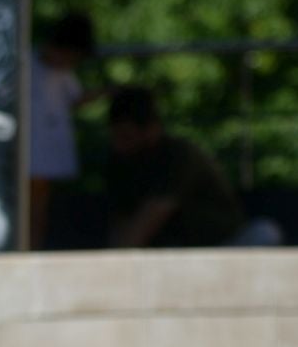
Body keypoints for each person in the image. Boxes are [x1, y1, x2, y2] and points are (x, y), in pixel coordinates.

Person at [106, 87, 263, 248]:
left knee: (264, 232)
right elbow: (121, 224)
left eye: (126, 137)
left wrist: (117, 260)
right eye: (115, 137)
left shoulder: (177, 155)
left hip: (224, 243)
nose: (119, 145)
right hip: (176, 250)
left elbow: (151, 218)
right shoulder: (120, 163)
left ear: (152, 129)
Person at [29, 12, 100, 248]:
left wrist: (107, 91)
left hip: (45, 151)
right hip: (29, 150)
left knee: (39, 206)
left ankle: (33, 248)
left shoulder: (63, 73)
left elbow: (75, 98)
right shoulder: (27, 64)